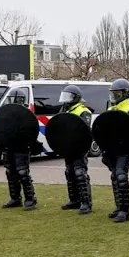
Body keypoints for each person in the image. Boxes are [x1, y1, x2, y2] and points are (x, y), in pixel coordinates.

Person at [102, 78, 129, 222]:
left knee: (121, 176)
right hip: (112, 148)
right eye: (113, 93)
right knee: (115, 177)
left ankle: (125, 210)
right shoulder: (111, 109)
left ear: (125, 93)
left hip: (124, 148)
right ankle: (119, 206)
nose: (114, 96)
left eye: (117, 93)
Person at [59, 85, 93, 215]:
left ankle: (86, 202)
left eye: (69, 97)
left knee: (80, 174)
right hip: (68, 147)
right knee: (70, 173)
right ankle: (74, 200)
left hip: (79, 147)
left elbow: (83, 130)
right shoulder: (65, 110)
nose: (66, 100)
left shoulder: (83, 111)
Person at [1, 95, 37, 212]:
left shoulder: (26, 113)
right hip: (9, 145)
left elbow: (31, 130)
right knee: (10, 172)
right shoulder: (7, 113)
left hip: (22, 146)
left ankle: (30, 199)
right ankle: (15, 198)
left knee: (22, 172)